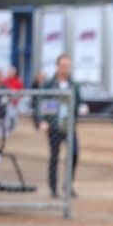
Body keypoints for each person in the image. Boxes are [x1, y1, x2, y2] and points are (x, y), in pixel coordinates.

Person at [40, 54, 81, 198]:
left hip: (69, 126)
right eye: (62, 65)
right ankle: (53, 188)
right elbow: (42, 103)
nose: (65, 68)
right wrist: (43, 121)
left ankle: (68, 184)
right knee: (54, 157)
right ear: (57, 66)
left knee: (74, 153)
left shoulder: (73, 85)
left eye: (67, 66)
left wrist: (80, 110)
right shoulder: (49, 84)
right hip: (54, 126)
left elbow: (78, 102)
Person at [3, 65, 24, 136]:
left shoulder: (18, 81)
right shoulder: (4, 81)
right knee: (6, 117)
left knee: (14, 119)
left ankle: (11, 129)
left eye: (12, 72)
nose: (10, 73)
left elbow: (21, 93)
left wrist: (17, 98)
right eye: (9, 72)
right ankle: (6, 131)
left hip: (15, 103)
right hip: (6, 102)